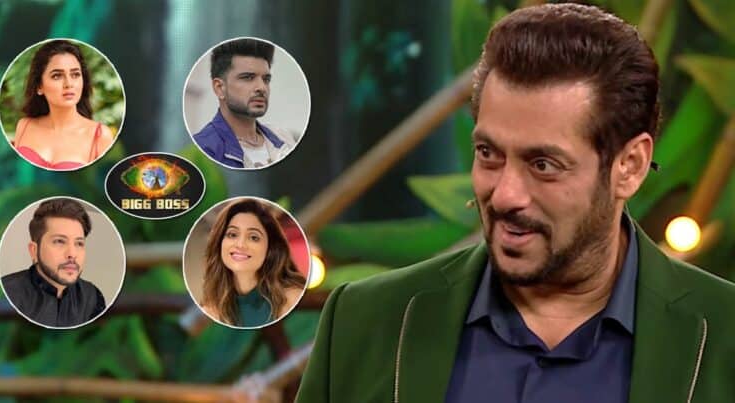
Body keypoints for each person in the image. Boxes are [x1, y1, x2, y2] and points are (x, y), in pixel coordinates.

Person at [297, 4, 735, 403]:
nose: (505, 195)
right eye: (488, 154)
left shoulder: (724, 338)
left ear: (630, 166)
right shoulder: (364, 321)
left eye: (543, 165)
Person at [200, 199, 306, 327]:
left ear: (271, 248)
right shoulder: (208, 311)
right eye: (232, 234)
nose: (240, 244)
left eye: (253, 237)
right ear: (219, 243)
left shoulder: (292, 299)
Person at [192, 38, 296, 169]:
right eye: (248, 78)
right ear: (220, 88)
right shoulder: (203, 148)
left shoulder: (283, 138)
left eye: (266, 79)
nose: (262, 88)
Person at [1, 198, 105, 328]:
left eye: (79, 243)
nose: (72, 254)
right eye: (59, 241)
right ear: (34, 250)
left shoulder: (92, 297)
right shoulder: (7, 294)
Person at [13, 40, 114, 170]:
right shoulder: (24, 126)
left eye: (75, 75)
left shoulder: (100, 136)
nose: (69, 84)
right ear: (39, 86)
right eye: (57, 76)